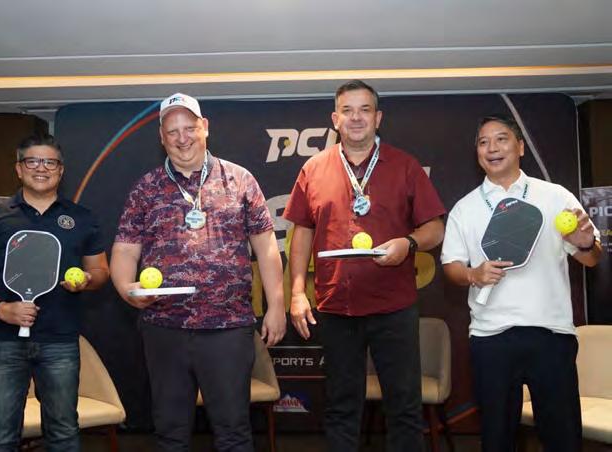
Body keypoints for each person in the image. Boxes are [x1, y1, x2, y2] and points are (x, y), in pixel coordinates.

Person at [110, 92, 286, 451]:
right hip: (164, 329)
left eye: (189, 128)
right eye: (172, 131)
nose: (182, 138)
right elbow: (125, 249)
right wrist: (126, 287)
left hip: (228, 328)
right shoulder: (146, 188)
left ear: (204, 127)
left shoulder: (239, 179)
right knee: (170, 432)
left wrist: (277, 306)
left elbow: (267, 248)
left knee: (233, 431)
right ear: (162, 137)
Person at [283, 80, 446, 452]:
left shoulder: (405, 166)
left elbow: (435, 228)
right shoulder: (313, 168)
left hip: (394, 307)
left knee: (404, 407)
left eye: (365, 110)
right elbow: (302, 233)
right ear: (335, 119)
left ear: (378, 117)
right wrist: (296, 292)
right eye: (348, 110)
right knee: (341, 408)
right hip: (336, 307)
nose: (356, 118)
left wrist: (408, 243)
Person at [441, 114, 601, 452]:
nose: (492, 148)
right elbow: (451, 266)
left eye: (501, 139)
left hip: (551, 334)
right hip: (490, 337)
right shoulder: (464, 209)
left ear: (520, 147)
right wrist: (472, 274)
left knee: (562, 437)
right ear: (477, 153)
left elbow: (591, 259)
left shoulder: (555, 196)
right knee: (497, 439)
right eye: (483, 142)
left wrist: (585, 243)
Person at [0, 134, 110, 452]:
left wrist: (87, 280)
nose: (42, 168)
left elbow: (101, 271)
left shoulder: (82, 219)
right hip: (1, 341)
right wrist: (0, 308)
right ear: (19, 168)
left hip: (60, 340)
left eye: (50, 162)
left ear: (60, 170)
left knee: (63, 434)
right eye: (33, 161)